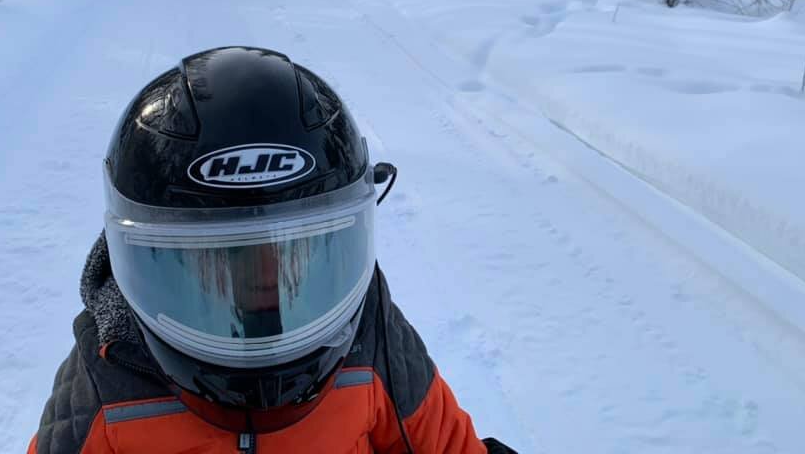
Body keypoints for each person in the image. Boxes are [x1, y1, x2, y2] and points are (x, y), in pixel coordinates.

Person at [26, 46, 517, 454]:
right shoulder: (108, 374)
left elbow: (449, 445)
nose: (264, 284)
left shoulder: (371, 333)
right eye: (223, 264)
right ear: (140, 262)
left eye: (294, 258)